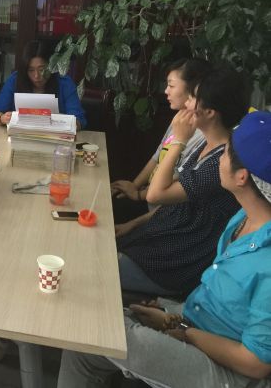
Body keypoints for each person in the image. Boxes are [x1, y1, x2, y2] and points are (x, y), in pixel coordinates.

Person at [58, 111, 271, 388]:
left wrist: (183, 329)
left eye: (226, 153)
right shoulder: (242, 218)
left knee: (96, 327)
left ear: (242, 177)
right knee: (83, 348)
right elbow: (216, 300)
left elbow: (254, 364)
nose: (220, 158)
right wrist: (170, 314)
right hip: (192, 321)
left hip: (225, 371)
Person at [115, 67, 249, 296]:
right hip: (159, 238)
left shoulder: (222, 163)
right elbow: (173, 203)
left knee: (96, 265)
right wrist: (133, 225)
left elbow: (155, 195)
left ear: (210, 112)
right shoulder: (205, 144)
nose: (187, 103)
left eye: (193, 97)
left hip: (175, 261)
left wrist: (178, 140)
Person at [111, 58, 212, 223]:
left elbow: (178, 179)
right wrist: (134, 186)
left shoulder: (203, 136)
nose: (166, 91)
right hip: (148, 198)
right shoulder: (180, 119)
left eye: (171, 85)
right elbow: (157, 156)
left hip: (162, 211)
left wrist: (138, 196)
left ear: (193, 89)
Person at [0, 40, 87, 129]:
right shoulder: (15, 80)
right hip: (21, 136)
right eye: (31, 70)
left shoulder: (64, 83)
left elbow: (79, 120)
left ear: (50, 66)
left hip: (56, 138)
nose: (36, 76)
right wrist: (2, 118)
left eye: (41, 70)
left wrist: (70, 123)